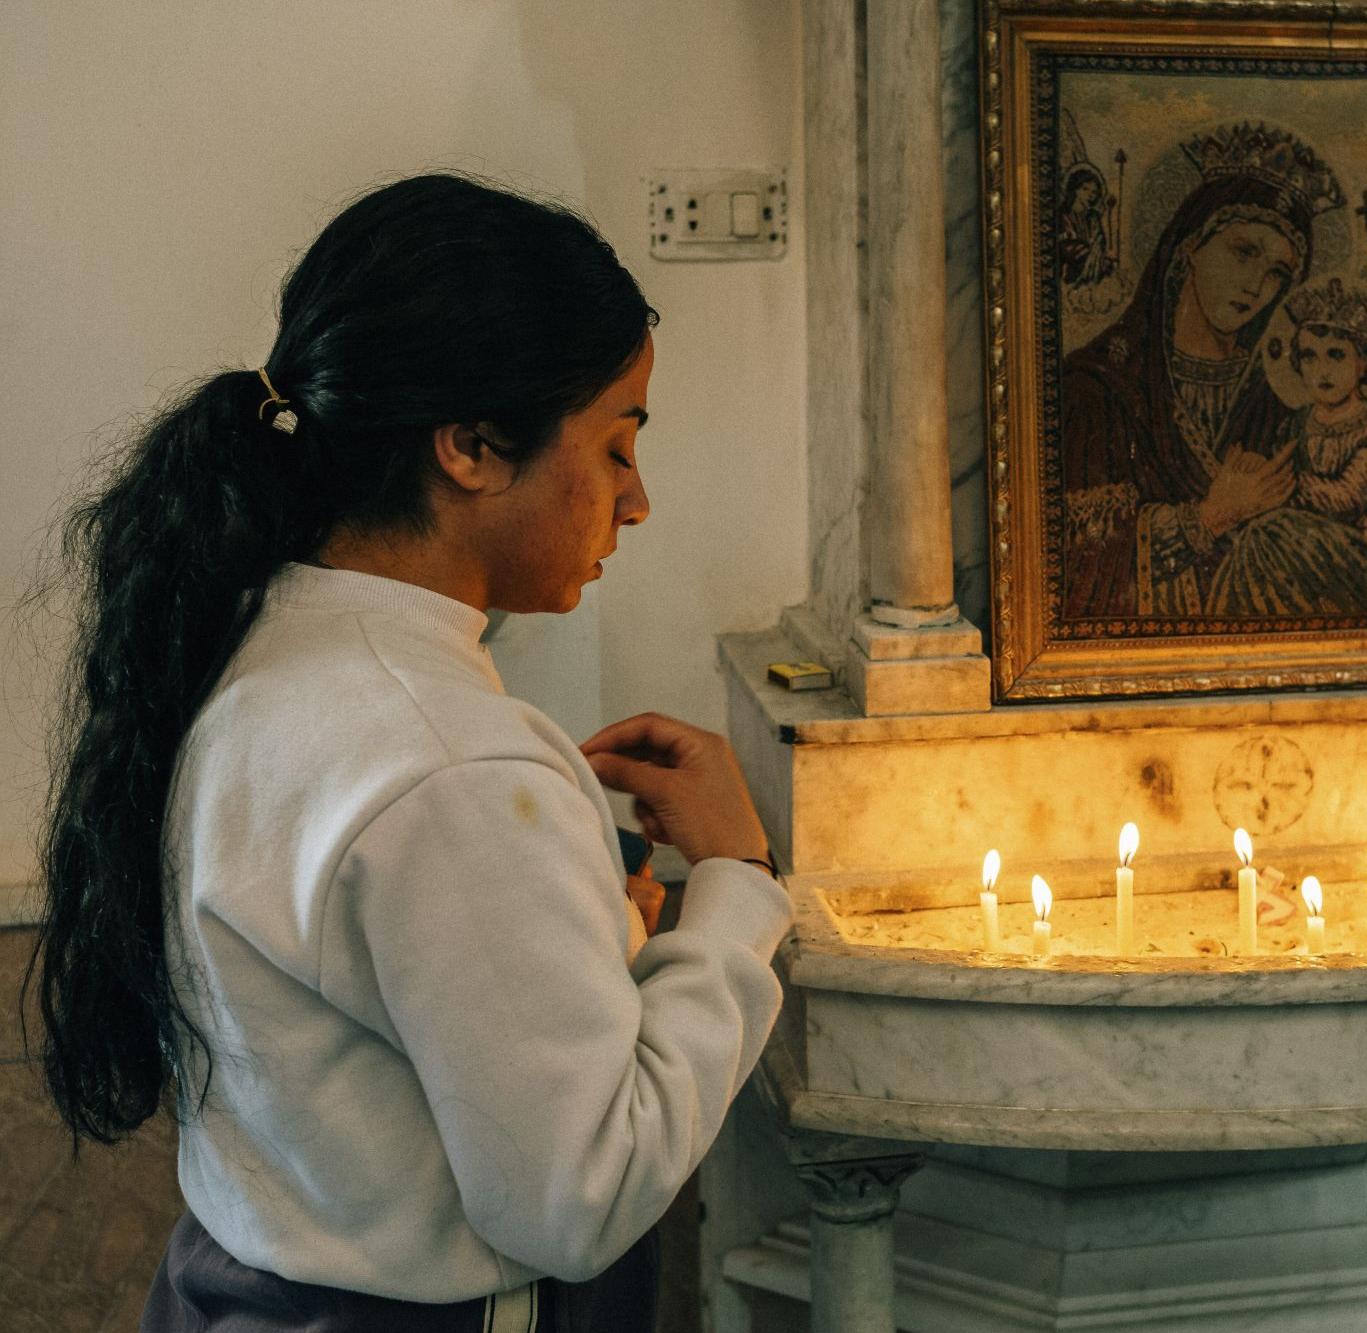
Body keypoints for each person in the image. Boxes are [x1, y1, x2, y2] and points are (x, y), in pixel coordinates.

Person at [26, 172, 793, 1330]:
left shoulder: (249, 641)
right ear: (472, 447)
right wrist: (734, 889)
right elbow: (577, 1198)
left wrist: (587, 927)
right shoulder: (452, 768)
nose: (634, 502)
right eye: (615, 444)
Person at [1058, 121, 1338, 621]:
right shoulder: (1098, 390)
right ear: (1189, 244)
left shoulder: (1274, 403)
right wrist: (1210, 516)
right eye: (1244, 251)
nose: (1257, 285)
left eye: (1278, 272)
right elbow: (1077, 572)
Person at [1205, 276, 1367, 618]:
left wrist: (1273, 485)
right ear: (1296, 363)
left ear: (1364, 362)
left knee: (1266, 535)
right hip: (1303, 551)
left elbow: (1345, 499)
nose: (1322, 370)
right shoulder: (1293, 425)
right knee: (1256, 539)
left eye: (1336, 355)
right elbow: (1269, 479)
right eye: (1309, 356)